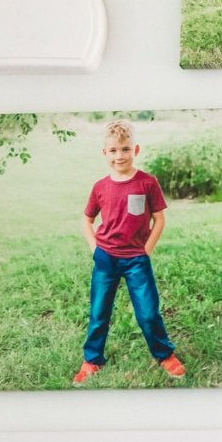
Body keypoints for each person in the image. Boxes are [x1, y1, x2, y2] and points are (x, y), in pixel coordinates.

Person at [73, 118, 185, 385]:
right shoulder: (100, 187)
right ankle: (92, 360)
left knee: (148, 312)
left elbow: (159, 219)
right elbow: (86, 219)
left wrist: (146, 250)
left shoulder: (147, 183)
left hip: (136, 261)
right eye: (113, 150)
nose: (119, 155)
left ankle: (164, 355)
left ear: (135, 150)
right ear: (105, 153)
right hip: (106, 259)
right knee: (99, 313)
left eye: (125, 149)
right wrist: (94, 249)